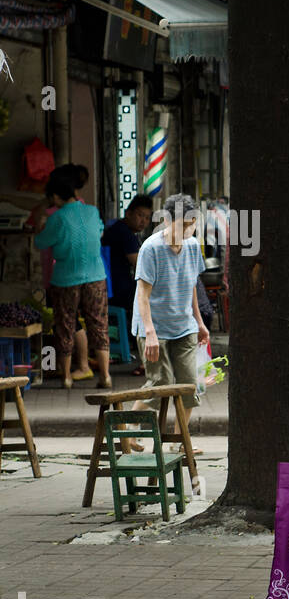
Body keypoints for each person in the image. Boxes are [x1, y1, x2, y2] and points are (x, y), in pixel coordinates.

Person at [121, 194, 209, 452]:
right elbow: (142, 295)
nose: (188, 229)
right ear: (167, 220)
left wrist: (199, 322)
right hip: (154, 327)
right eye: (183, 223)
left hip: (184, 326)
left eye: (192, 223)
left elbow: (191, 285)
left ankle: (179, 442)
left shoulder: (192, 246)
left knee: (189, 385)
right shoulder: (151, 248)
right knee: (160, 383)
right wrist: (149, 333)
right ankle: (128, 430)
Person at [32, 169, 110, 390]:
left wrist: (40, 228)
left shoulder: (57, 218)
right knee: (99, 324)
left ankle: (66, 377)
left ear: (56, 197)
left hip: (66, 278)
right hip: (96, 275)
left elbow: (41, 243)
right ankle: (105, 375)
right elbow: (100, 232)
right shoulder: (92, 212)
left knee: (65, 325)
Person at [104, 194, 152, 313]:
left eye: (147, 217)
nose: (143, 221)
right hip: (119, 291)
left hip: (109, 288)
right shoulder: (126, 235)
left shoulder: (116, 227)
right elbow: (139, 266)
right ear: (128, 213)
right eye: (140, 215)